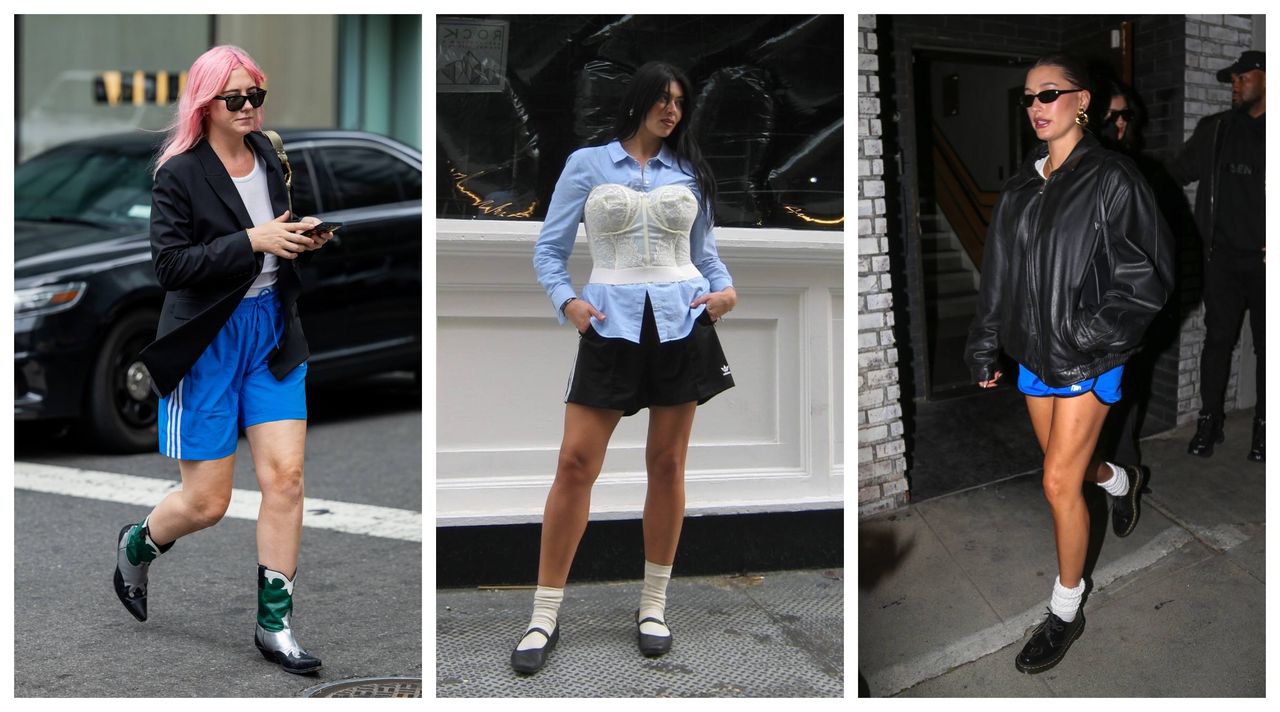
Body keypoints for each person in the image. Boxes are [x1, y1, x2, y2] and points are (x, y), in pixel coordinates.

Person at [113, 45, 335, 675]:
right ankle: (138, 542)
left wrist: (296, 237)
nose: (247, 108)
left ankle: (275, 626)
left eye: (255, 96)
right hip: (206, 341)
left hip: (271, 331)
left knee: (286, 479)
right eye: (234, 98)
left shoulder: (270, 154)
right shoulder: (178, 173)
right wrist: (251, 241)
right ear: (204, 103)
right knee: (207, 503)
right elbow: (170, 266)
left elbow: (274, 233)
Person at [514, 61, 737, 675]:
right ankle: (543, 613)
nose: (671, 110)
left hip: (681, 324)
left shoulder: (690, 173)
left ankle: (653, 606)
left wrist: (725, 293)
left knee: (667, 464)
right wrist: (571, 305)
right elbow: (549, 249)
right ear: (638, 101)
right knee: (575, 462)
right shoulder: (588, 164)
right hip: (610, 327)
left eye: (679, 102)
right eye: (662, 99)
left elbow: (707, 256)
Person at [965, 54, 1173, 674]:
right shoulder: (1021, 187)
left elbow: (1148, 277)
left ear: (1081, 101)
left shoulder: (1113, 178)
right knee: (1072, 470)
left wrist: (1088, 333)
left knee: (1057, 482)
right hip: (1034, 354)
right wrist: (985, 341)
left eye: (1049, 93)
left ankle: (1065, 609)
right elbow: (998, 276)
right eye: (1028, 96)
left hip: (1089, 355)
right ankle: (1120, 480)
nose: (1035, 105)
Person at [1172, 50, 1266, 462]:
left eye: (1242, 77)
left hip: (1268, 265)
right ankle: (1210, 422)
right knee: (1217, 342)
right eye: (1232, 79)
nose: (1235, 84)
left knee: (1269, 349)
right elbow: (1174, 172)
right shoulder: (1216, 131)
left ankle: (1265, 428)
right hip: (1221, 261)